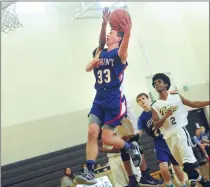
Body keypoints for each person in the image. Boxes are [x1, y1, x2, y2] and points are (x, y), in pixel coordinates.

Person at [75, 8, 140, 186]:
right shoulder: (100, 53)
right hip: (99, 98)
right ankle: (89, 172)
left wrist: (128, 32)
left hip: (113, 100)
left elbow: (124, 46)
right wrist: (104, 24)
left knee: (107, 139)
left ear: (118, 38)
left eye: (112, 32)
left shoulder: (119, 55)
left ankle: (129, 147)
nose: (109, 34)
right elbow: (101, 40)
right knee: (91, 132)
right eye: (108, 33)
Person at [151, 73, 210, 187]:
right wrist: (165, 116)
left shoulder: (176, 96)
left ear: (166, 84)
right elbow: (156, 125)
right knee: (185, 168)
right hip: (168, 138)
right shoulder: (155, 105)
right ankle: (204, 181)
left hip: (180, 132)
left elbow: (192, 103)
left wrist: (208, 102)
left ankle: (202, 182)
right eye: (154, 83)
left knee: (188, 165)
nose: (156, 84)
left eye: (159, 81)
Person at [136, 92, 186, 187]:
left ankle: (183, 184)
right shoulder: (141, 118)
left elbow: (164, 97)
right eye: (139, 100)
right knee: (163, 168)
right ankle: (169, 184)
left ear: (148, 99)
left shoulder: (157, 106)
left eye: (143, 98)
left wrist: (170, 92)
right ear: (138, 104)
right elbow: (139, 131)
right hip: (158, 142)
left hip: (169, 138)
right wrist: (135, 138)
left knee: (176, 166)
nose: (141, 101)